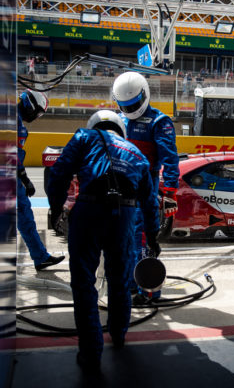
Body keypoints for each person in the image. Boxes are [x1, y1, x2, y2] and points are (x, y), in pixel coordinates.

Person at [47, 110, 160, 370]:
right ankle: (118, 336)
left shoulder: (85, 136)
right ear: (120, 130)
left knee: (84, 282)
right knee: (120, 280)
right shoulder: (136, 152)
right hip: (126, 216)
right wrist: (152, 236)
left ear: (95, 125)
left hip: (89, 210)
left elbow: (60, 173)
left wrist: (55, 209)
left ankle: (90, 352)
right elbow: (150, 201)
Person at [112, 72, 179, 302]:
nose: (130, 109)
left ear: (144, 94)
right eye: (126, 106)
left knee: (144, 239)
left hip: (145, 184)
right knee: (123, 238)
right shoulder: (117, 119)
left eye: (134, 104)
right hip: (119, 185)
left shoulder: (160, 122)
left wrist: (170, 192)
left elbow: (170, 159)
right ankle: (131, 285)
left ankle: (149, 291)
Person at [17, 90, 65, 271]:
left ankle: (40, 257)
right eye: (38, 113)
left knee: (23, 216)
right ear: (30, 105)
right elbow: (13, 156)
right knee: (24, 214)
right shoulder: (18, 126)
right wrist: (24, 178)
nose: (37, 117)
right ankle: (40, 257)